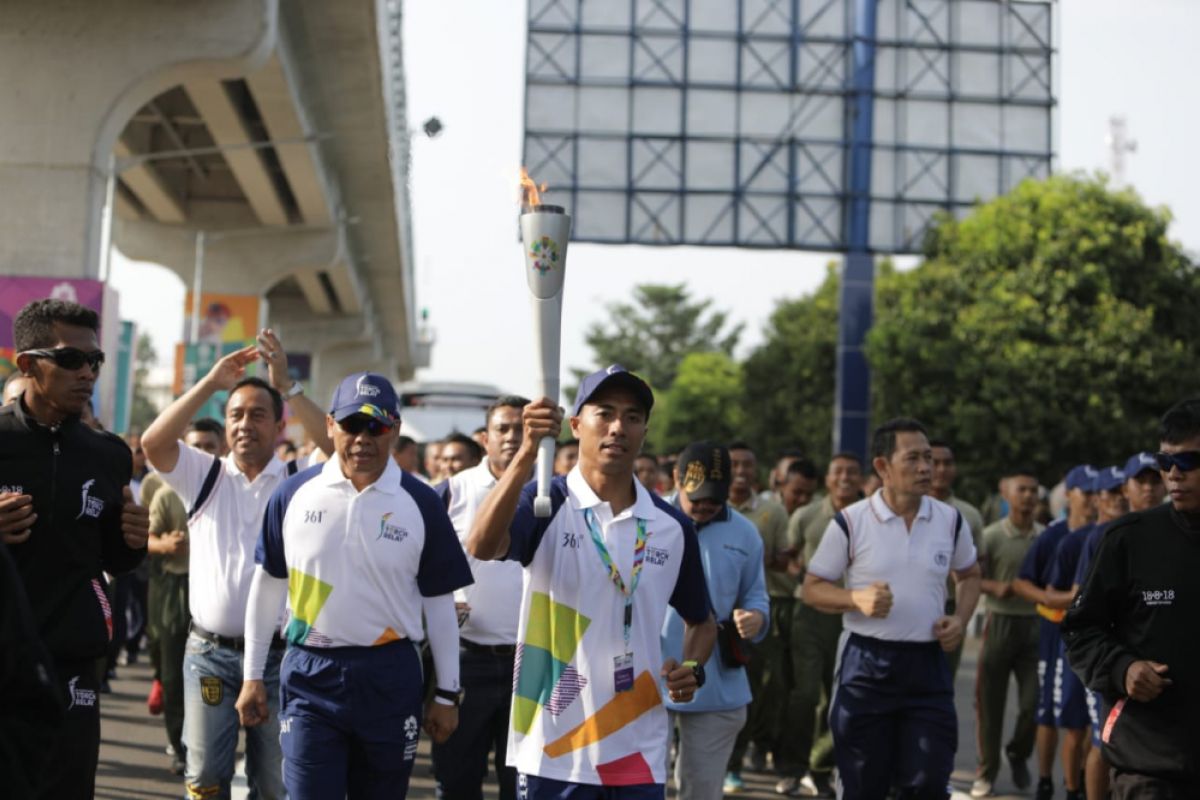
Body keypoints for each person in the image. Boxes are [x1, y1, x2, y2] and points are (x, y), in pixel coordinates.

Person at [467, 365, 717, 798]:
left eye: (632, 417)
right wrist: (528, 452)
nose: (618, 427)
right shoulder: (546, 503)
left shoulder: (671, 526)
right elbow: (482, 545)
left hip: (637, 744)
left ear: (643, 431)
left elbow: (702, 620)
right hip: (551, 744)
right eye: (605, 413)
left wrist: (693, 667)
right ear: (577, 424)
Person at [235, 372, 472, 798]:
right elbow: (268, 586)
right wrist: (252, 674)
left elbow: (439, 603)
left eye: (376, 426)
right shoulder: (293, 495)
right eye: (351, 425)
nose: (363, 438)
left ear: (395, 430)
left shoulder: (421, 503)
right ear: (329, 426)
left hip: (390, 673)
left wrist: (447, 693)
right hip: (311, 672)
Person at [142, 328, 329, 800]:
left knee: (277, 783)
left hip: (281, 659)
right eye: (236, 415)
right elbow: (153, 442)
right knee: (205, 778)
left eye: (259, 415)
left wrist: (288, 385)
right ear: (225, 426)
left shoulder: (298, 478)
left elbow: (337, 446)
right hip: (210, 656)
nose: (246, 424)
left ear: (279, 426)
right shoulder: (203, 474)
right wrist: (210, 382)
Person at [0, 298, 150, 797]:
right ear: (28, 365)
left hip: (71, 664)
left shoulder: (108, 456)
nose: (87, 372)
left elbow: (116, 560)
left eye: (95, 362)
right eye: (70, 360)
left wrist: (133, 541)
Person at [803, 418, 981, 799]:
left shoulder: (949, 520)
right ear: (883, 466)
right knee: (864, 783)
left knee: (929, 781)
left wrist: (961, 619)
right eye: (913, 458)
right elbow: (812, 589)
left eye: (929, 458)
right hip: (866, 665)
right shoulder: (852, 522)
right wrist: (855, 598)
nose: (926, 468)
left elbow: (969, 574)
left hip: (927, 667)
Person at [1064, 399, 1200, 798]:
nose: (1174, 474)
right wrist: (1123, 668)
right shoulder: (1128, 538)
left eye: (1189, 461)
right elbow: (1079, 631)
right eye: (1165, 461)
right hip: (1150, 763)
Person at [432, 395, 531, 800]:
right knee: (456, 784)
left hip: (531, 667)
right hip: (464, 662)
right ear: (485, 438)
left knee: (523, 787)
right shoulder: (452, 492)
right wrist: (442, 602)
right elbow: (419, 569)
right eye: (503, 429)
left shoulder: (554, 493)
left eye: (521, 429)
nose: (512, 437)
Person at [665, 442, 769, 800]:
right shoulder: (648, 518)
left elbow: (756, 593)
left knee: (703, 789)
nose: (706, 506)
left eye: (716, 498)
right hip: (648, 675)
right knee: (639, 785)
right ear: (677, 479)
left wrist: (757, 616)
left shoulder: (745, 533)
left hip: (717, 680)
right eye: (698, 498)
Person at [781, 453, 865, 798]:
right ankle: (793, 767)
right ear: (827, 480)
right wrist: (806, 579)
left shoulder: (871, 516)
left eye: (852, 472)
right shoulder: (807, 515)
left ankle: (822, 768)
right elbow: (790, 557)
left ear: (861, 479)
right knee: (805, 694)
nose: (845, 477)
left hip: (853, 615)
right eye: (838, 472)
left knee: (841, 697)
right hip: (810, 612)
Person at [1012, 465, 1097, 800]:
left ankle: (1077, 779)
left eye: (1098, 493)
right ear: (1070, 495)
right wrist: (1050, 598)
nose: (1093, 500)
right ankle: (1046, 779)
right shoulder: (1054, 535)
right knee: (1049, 708)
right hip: (1055, 631)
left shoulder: (1108, 532)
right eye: (1086, 493)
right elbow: (1022, 582)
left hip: (1091, 634)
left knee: (1089, 715)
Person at [145, 418, 224, 775]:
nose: (204, 453)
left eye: (210, 446)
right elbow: (145, 538)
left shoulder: (234, 489)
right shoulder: (166, 493)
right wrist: (165, 544)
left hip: (220, 594)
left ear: (222, 448)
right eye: (197, 447)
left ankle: (214, 749)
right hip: (176, 589)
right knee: (174, 673)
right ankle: (180, 746)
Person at [723, 442, 792, 794]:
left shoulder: (771, 512)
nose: (741, 471)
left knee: (746, 692)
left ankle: (733, 763)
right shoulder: (705, 504)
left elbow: (782, 561)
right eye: (734, 464)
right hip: (708, 615)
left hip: (751, 616)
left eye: (748, 465)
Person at [971, 468, 1044, 798]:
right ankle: (986, 772)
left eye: (1033, 491)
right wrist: (993, 587)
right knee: (990, 704)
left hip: (1035, 626)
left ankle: (1018, 752)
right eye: (1022, 490)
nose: (1028, 497)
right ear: (1007, 495)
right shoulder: (990, 536)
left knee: (1034, 703)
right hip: (999, 623)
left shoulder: (1046, 537)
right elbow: (973, 578)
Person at [1067, 465, 1132, 800]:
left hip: (1139, 653)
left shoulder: (1150, 530)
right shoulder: (1100, 536)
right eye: (1111, 492)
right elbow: (1081, 596)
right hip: (1107, 652)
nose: (1118, 499)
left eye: (1123, 491)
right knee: (1101, 737)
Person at [927, 440, 986, 678]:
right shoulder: (907, 508)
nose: (941, 469)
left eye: (947, 463)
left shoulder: (968, 514)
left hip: (950, 605)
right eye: (935, 462)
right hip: (912, 603)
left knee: (943, 678)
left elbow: (980, 566)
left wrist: (961, 618)